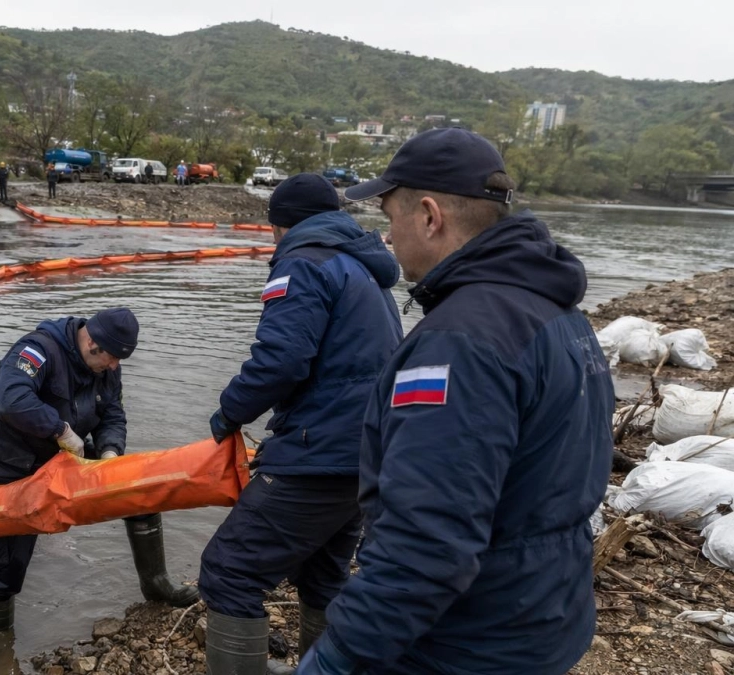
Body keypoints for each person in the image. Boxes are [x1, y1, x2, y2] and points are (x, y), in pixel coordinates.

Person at [298, 128, 614, 674]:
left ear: (428, 216)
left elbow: (425, 544)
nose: (387, 236)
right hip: (548, 613)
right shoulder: (560, 312)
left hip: (466, 640)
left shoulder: (457, 343)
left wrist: (336, 657)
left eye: (389, 216)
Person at [201, 173, 403, 675]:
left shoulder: (302, 261)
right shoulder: (363, 266)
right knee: (322, 575)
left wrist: (228, 413)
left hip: (322, 452)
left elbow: (281, 360)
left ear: (280, 225)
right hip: (369, 450)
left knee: (229, 571)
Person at [0, 308, 199, 632]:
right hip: (12, 461)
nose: (115, 366)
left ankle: (156, 584)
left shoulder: (107, 367)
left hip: (67, 452)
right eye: (112, 358)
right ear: (92, 343)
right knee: (6, 564)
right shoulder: (38, 350)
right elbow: (9, 400)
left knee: (141, 489)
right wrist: (59, 429)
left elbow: (113, 414)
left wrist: (110, 453)